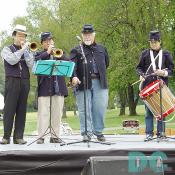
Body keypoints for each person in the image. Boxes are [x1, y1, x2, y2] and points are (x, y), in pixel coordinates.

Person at [70, 24, 109, 142]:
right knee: (84, 109)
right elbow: (72, 67)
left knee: (100, 108)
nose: (87, 37)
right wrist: (74, 77)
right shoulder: (76, 50)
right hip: (83, 82)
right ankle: (86, 133)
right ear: (82, 36)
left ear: (94, 35)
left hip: (100, 82)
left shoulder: (102, 49)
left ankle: (99, 132)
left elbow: (106, 63)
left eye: (89, 34)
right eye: (85, 35)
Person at [136, 31, 174, 141]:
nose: (153, 44)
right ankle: (148, 133)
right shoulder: (144, 54)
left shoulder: (166, 54)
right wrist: (141, 75)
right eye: (151, 42)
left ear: (160, 42)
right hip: (148, 86)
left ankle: (161, 133)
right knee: (148, 112)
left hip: (161, 87)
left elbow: (171, 70)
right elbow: (138, 68)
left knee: (161, 111)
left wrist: (163, 73)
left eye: (155, 42)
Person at [0, 24, 34, 144]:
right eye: (19, 35)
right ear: (14, 36)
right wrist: (23, 49)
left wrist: (27, 52)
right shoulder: (6, 49)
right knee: (9, 109)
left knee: (21, 109)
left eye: (23, 36)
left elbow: (31, 66)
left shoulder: (27, 51)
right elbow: (12, 60)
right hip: (12, 81)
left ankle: (18, 137)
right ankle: (6, 137)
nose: (22, 38)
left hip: (25, 80)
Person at [34, 32, 68, 144]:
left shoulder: (59, 52)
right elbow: (36, 63)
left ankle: (55, 136)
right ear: (42, 43)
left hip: (58, 88)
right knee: (43, 113)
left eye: (50, 40)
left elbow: (68, 62)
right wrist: (48, 52)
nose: (49, 43)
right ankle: (41, 136)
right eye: (46, 41)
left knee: (57, 113)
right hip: (44, 88)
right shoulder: (39, 54)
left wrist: (58, 54)